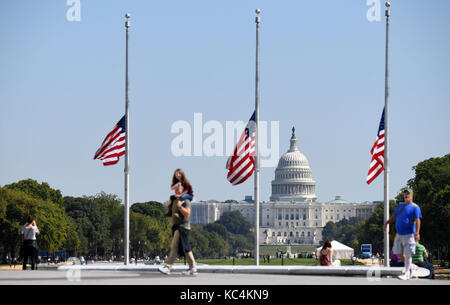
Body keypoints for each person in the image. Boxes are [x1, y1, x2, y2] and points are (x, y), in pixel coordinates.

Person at [158, 180, 197, 276]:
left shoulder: (186, 201)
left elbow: (187, 214)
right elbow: (169, 208)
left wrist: (180, 207)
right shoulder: (175, 200)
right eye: (175, 190)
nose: (176, 192)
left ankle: (168, 267)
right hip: (176, 226)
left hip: (183, 227)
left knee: (174, 247)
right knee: (186, 248)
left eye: (179, 190)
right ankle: (193, 268)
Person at [383, 187, 422, 280]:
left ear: (412, 196)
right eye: (405, 194)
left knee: (408, 254)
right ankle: (411, 266)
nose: (406, 195)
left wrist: (417, 233)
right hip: (399, 233)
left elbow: (417, 220)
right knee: (397, 252)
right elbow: (394, 216)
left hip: (409, 234)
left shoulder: (415, 207)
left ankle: (407, 272)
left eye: (408, 194)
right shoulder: (400, 206)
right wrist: (386, 223)